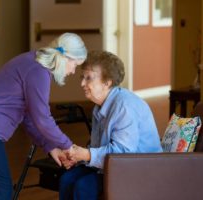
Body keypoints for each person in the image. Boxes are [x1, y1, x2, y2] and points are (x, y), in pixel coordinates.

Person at [0, 32, 87, 200]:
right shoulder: (39, 71)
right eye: (75, 65)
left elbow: (30, 117)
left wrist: (51, 147)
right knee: (0, 193)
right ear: (66, 58)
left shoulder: (33, 60)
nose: (73, 71)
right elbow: (43, 119)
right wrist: (69, 146)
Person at [59, 51, 163, 200]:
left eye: (88, 78)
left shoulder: (124, 106)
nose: (82, 83)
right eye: (82, 77)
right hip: (113, 167)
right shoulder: (100, 106)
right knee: (67, 179)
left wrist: (87, 154)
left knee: (84, 186)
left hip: (140, 169)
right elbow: (100, 146)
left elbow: (124, 154)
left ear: (107, 82)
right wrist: (78, 157)